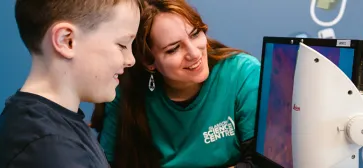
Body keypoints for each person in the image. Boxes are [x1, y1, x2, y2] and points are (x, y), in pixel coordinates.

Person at [90, 0, 261, 167]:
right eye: (173, 49)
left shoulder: (243, 72)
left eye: (195, 34)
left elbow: (260, 161)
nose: (194, 54)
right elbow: (107, 163)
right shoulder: (127, 91)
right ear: (149, 61)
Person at [0, 0, 141, 167]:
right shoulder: (50, 150)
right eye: (122, 45)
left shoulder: (48, 127)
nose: (130, 60)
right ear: (67, 40)